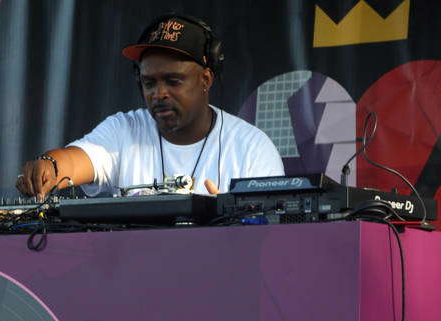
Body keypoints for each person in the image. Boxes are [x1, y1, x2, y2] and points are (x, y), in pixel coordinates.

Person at [16, 14, 284, 199]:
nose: (159, 94)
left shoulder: (252, 148)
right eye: (149, 83)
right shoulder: (123, 131)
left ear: (205, 79)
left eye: (173, 81)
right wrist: (49, 167)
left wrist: (229, 225)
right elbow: (73, 161)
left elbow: (269, 246)